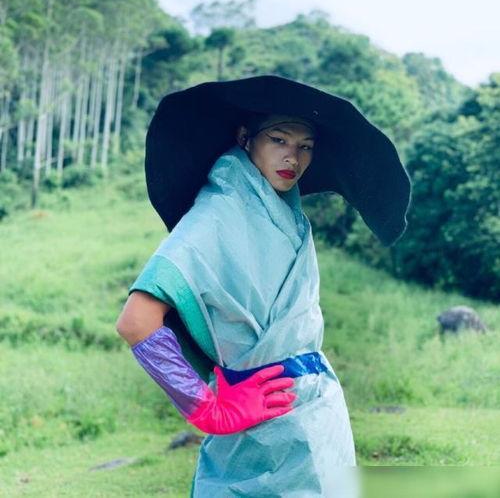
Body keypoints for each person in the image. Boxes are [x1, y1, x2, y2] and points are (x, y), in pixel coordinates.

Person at [116, 75, 411, 496]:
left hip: (316, 413)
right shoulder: (215, 215)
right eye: (278, 139)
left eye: (305, 146)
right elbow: (136, 321)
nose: (293, 157)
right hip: (257, 418)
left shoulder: (287, 215)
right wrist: (208, 410)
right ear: (245, 138)